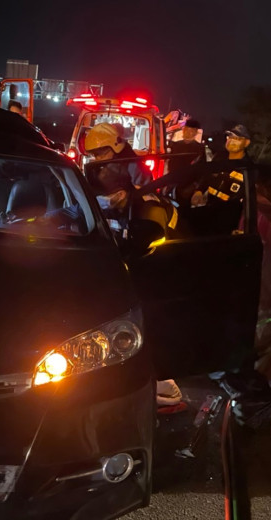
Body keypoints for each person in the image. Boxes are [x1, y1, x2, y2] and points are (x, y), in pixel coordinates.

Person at [84, 123, 183, 406]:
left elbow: (147, 218)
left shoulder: (134, 175)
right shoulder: (99, 173)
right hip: (112, 248)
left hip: (139, 256)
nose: (96, 157)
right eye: (93, 153)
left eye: (100, 151)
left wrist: (129, 203)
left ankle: (157, 380)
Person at [188, 124, 252, 235]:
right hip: (208, 209)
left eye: (237, 138)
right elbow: (207, 175)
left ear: (246, 143)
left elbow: (248, 201)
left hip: (227, 222)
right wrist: (199, 191)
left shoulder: (248, 168)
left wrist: (242, 227)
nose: (231, 141)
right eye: (229, 137)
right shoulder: (219, 157)